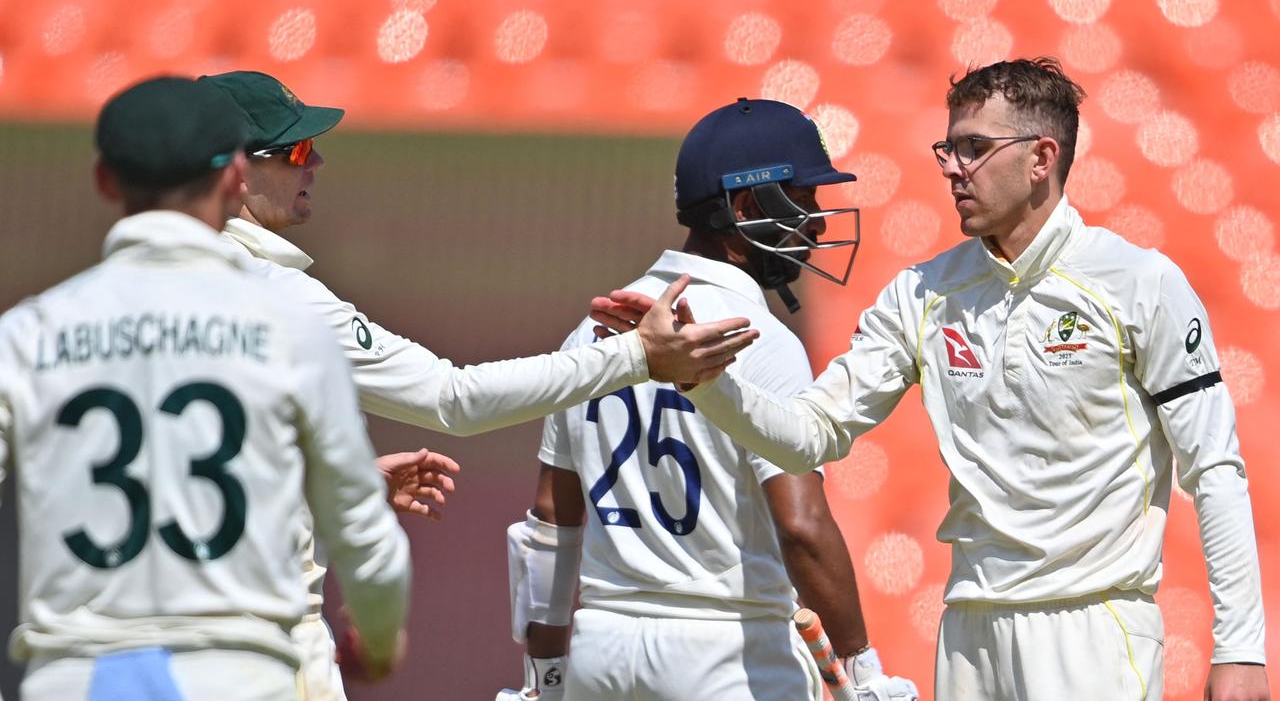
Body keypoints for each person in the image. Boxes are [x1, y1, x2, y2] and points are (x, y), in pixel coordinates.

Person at [598, 59, 1270, 701]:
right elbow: (809, 435)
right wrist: (704, 382)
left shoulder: (1140, 283)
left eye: (974, 148)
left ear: (1041, 158)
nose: (952, 169)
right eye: (947, 149)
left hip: (1093, 626)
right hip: (969, 632)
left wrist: (1240, 646)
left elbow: (1213, 466)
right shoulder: (922, 292)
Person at [195, 70, 759, 700]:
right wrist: (638, 356)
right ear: (235, 172)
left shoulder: (122, 297)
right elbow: (454, 398)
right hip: (264, 655)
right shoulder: (284, 299)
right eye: (297, 150)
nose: (317, 161)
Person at [0, 77, 411, 700]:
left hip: (73, 675)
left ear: (106, 182)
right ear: (232, 179)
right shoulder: (292, 331)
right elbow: (366, 537)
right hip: (238, 674)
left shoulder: (26, 335)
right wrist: (380, 640)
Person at [497, 98, 918, 701]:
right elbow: (800, 524)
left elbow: (551, 524)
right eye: (803, 199)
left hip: (602, 651)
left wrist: (544, 675)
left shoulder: (588, 333)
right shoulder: (760, 337)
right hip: (726, 653)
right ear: (747, 206)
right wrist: (861, 663)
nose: (818, 222)